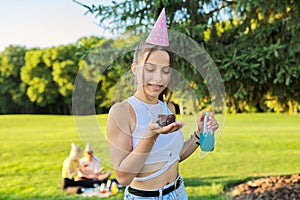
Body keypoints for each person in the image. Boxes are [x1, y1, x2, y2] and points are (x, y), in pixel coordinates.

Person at [106, 8, 219, 199]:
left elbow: (173, 156)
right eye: (150, 69)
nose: (158, 78)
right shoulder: (122, 112)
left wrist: (199, 135)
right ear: (135, 69)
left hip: (178, 193)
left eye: (165, 71)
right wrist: (151, 135)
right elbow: (123, 176)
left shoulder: (169, 108)